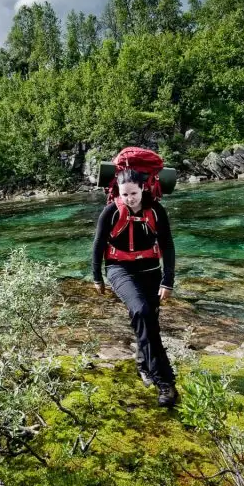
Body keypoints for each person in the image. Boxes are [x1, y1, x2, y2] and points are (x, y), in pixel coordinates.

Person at [91, 168, 178, 407]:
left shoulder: (156, 211)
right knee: (140, 311)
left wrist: (167, 280)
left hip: (151, 271)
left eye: (133, 193)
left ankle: (143, 365)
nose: (129, 198)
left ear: (143, 189)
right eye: (124, 194)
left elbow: (167, 246)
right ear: (118, 192)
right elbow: (98, 245)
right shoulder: (111, 211)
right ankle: (165, 382)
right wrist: (97, 277)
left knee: (150, 321)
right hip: (120, 269)